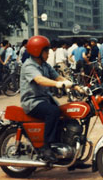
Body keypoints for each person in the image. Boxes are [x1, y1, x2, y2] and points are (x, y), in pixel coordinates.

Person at [20, 35, 72, 163]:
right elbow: (39, 79)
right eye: (46, 51)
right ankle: (45, 147)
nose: (48, 53)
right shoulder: (29, 66)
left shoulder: (45, 65)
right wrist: (57, 84)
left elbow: (57, 76)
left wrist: (74, 85)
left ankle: (68, 155)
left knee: (66, 113)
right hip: (32, 102)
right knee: (53, 111)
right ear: (38, 51)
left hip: (45, 100)